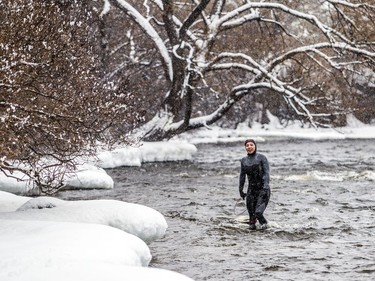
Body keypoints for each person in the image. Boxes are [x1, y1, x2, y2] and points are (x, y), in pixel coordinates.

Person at [239, 139, 270, 230]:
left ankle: (268, 228)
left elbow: (266, 173)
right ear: (245, 148)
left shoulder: (262, 158)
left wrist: (266, 185)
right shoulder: (243, 160)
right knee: (251, 221)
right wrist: (240, 190)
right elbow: (242, 176)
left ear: (255, 146)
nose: (249, 147)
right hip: (251, 191)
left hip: (263, 189)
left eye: (251, 145)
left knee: (258, 213)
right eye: (247, 145)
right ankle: (252, 241)